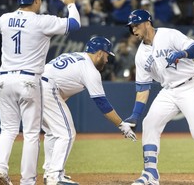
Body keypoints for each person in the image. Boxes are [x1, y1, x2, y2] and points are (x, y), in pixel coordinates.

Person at [124, 9, 194, 185]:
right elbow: (143, 87)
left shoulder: (169, 35)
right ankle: (150, 173)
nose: (134, 30)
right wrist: (135, 115)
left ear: (148, 23)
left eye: (136, 25)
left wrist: (182, 53)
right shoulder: (141, 55)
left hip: (190, 85)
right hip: (168, 90)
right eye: (131, 27)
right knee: (149, 123)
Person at [0, 0, 81, 185]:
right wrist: (71, 5)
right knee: (31, 134)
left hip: (5, 80)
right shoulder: (42, 21)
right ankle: (28, 181)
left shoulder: (4, 19)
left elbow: (3, 27)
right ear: (35, 0)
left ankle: (0, 169)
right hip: (28, 80)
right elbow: (75, 24)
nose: (40, 2)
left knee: (7, 130)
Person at [41, 36, 137, 185]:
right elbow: (102, 103)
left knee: (52, 133)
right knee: (67, 133)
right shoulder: (90, 69)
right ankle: (55, 176)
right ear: (99, 53)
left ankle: (50, 172)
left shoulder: (73, 55)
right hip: (48, 89)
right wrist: (121, 124)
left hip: (37, 85)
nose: (106, 60)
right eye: (106, 55)